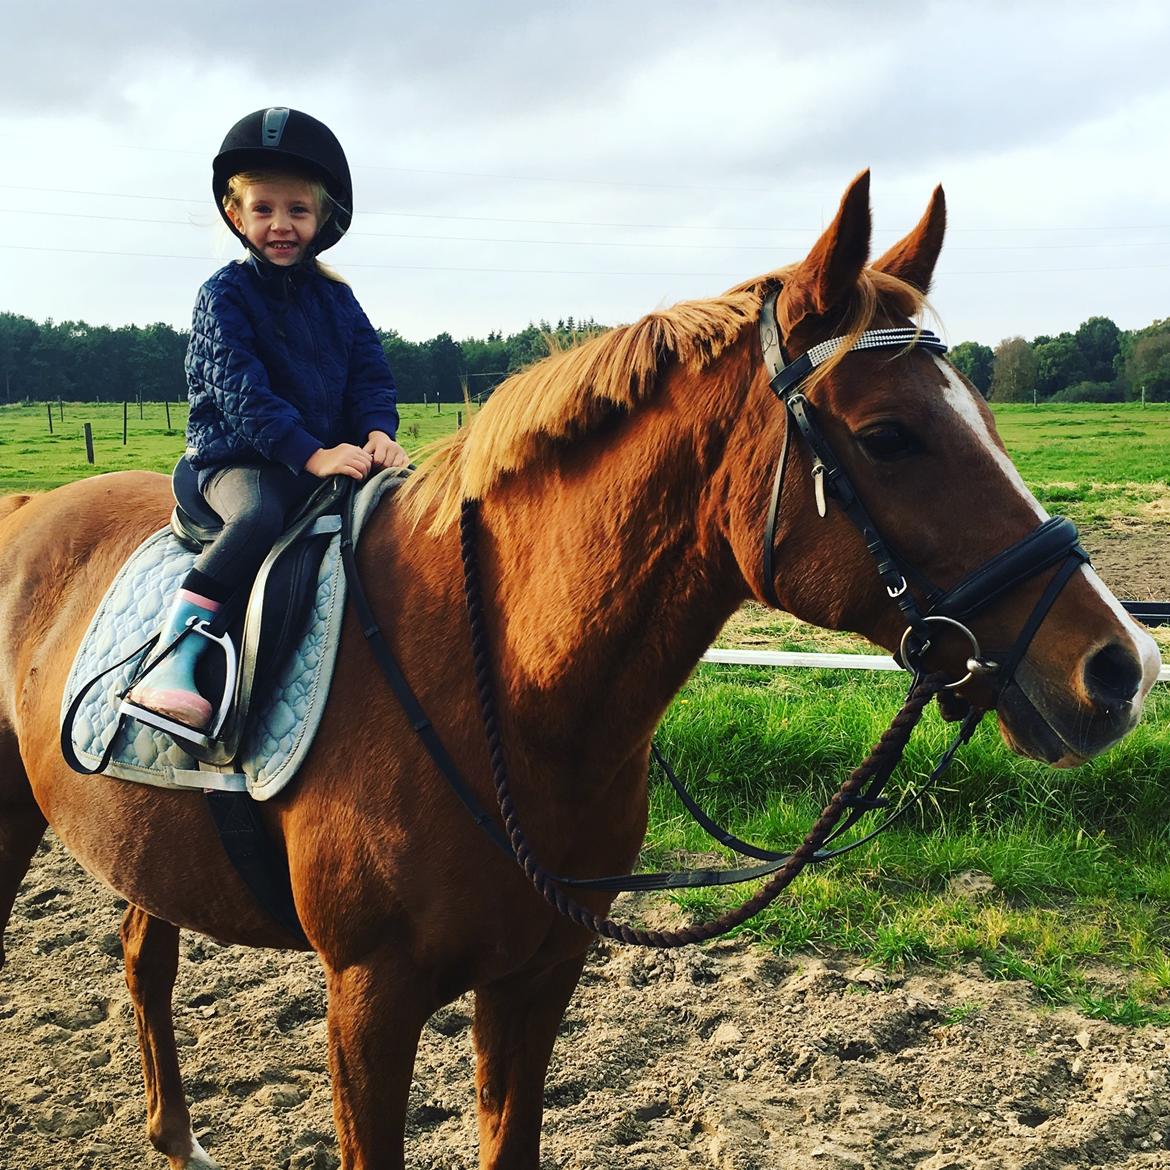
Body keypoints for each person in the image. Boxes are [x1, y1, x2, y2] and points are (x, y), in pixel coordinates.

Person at [128, 107, 408, 731]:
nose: (281, 225)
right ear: (237, 214)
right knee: (258, 516)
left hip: (325, 454)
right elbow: (242, 394)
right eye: (264, 210)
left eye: (298, 211)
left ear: (323, 218)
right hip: (239, 457)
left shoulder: (337, 299)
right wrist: (311, 454)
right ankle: (173, 658)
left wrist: (378, 434)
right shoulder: (223, 296)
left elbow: (370, 374)